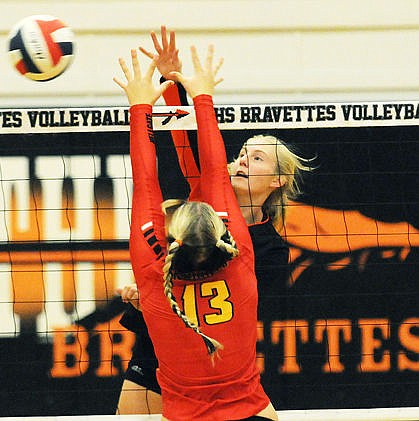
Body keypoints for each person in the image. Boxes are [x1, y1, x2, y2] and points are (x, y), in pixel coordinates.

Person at [116, 26, 312, 416]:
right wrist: (171, 81)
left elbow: (240, 309)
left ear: (277, 181)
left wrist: (155, 284)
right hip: (159, 346)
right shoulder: (208, 194)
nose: (242, 160)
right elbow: (186, 142)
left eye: (257, 159)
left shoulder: (271, 250)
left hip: (213, 361)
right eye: (242, 152)